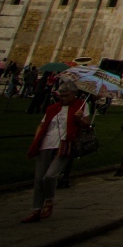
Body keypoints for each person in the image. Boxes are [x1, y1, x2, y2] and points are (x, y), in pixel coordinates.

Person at [22, 78, 88, 223]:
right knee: (39, 179)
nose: (63, 98)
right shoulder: (53, 108)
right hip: (46, 144)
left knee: (50, 176)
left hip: (65, 145)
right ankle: (36, 210)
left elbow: (87, 125)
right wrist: (36, 141)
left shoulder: (81, 105)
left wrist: (80, 119)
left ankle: (49, 201)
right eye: (61, 95)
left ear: (74, 95)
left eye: (66, 95)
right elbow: (42, 124)